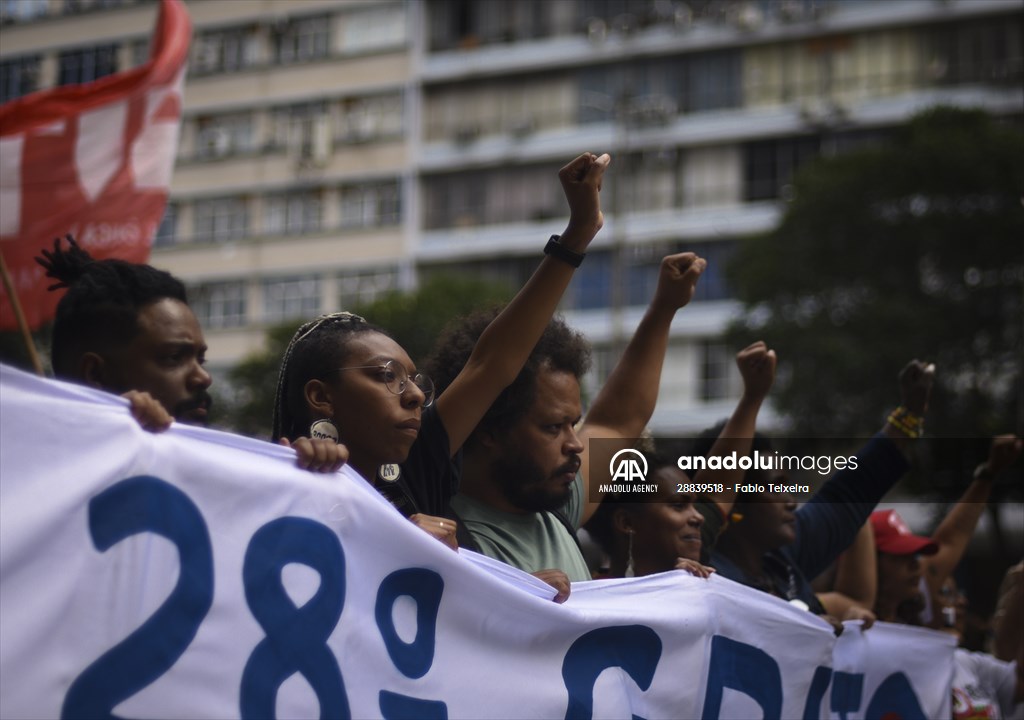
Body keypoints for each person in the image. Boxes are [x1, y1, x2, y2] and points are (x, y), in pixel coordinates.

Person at [271, 152, 611, 555]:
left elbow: (494, 362)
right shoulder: (272, 484)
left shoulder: (420, 467)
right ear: (321, 396)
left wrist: (579, 234)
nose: (414, 395)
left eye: (413, 381)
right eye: (387, 376)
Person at [426, 250, 706, 584]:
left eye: (574, 424)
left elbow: (618, 420)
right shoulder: (436, 539)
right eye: (553, 428)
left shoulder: (556, 508)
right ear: (490, 428)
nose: (575, 444)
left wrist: (664, 308)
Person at [35, 235, 345, 473]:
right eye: (173, 357)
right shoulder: (28, 471)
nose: (203, 377)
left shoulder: (225, 473)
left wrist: (302, 481)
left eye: (201, 359)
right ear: (95, 374)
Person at [698, 360, 934, 619]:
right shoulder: (701, 577)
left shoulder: (781, 559)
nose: (790, 501)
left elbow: (852, 490)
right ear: (735, 502)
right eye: (775, 487)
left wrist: (910, 412)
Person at [584, 340, 777, 578]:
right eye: (678, 505)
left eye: (695, 505)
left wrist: (752, 397)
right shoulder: (575, 599)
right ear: (627, 523)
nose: (697, 517)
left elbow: (719, 486)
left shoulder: (696, 575)